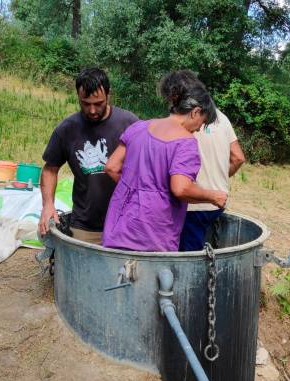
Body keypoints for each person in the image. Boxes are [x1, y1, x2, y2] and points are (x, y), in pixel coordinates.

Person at [102, 71, 228, 252]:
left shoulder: (138, 127)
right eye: (203, 121)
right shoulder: (185, 142)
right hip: (154, 234)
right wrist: (213, 196)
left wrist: (136, 189)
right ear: (195, 112)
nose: (199, 128)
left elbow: (112, 167)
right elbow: (181, 188)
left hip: (120, 228)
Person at [38, 68, 139, 244]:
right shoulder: (67, 129)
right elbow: (50, 169)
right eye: (85, 103)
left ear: (109, 95)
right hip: (85, 225)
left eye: (98, 103)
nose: (92, 110)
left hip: (126, 222)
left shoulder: (129, 124)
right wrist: (48, 205)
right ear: (78, 97)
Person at [161, 72, 245, 251]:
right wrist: (219, 178)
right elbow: (238, 158)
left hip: (191, 203)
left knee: (185, 258)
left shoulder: (182, 120)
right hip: (217, 202)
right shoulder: (222, 117)